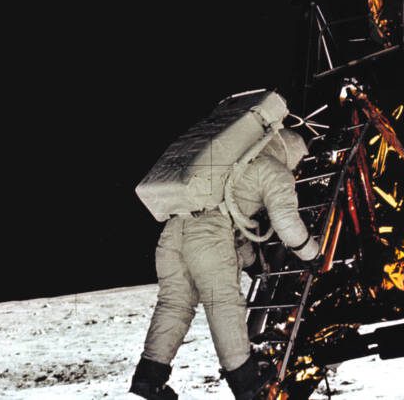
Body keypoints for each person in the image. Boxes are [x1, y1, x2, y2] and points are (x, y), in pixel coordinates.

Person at [130, 129, 321, 400]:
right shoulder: (274, 169)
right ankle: (245, 379)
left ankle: (149, 378)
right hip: (208, 235)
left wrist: (253, 265)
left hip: (173, 233)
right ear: (292, 153)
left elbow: (237, 227)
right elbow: (285, 221)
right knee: (223, 302)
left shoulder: (236, 162)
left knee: (174, 304)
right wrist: (312, 253)